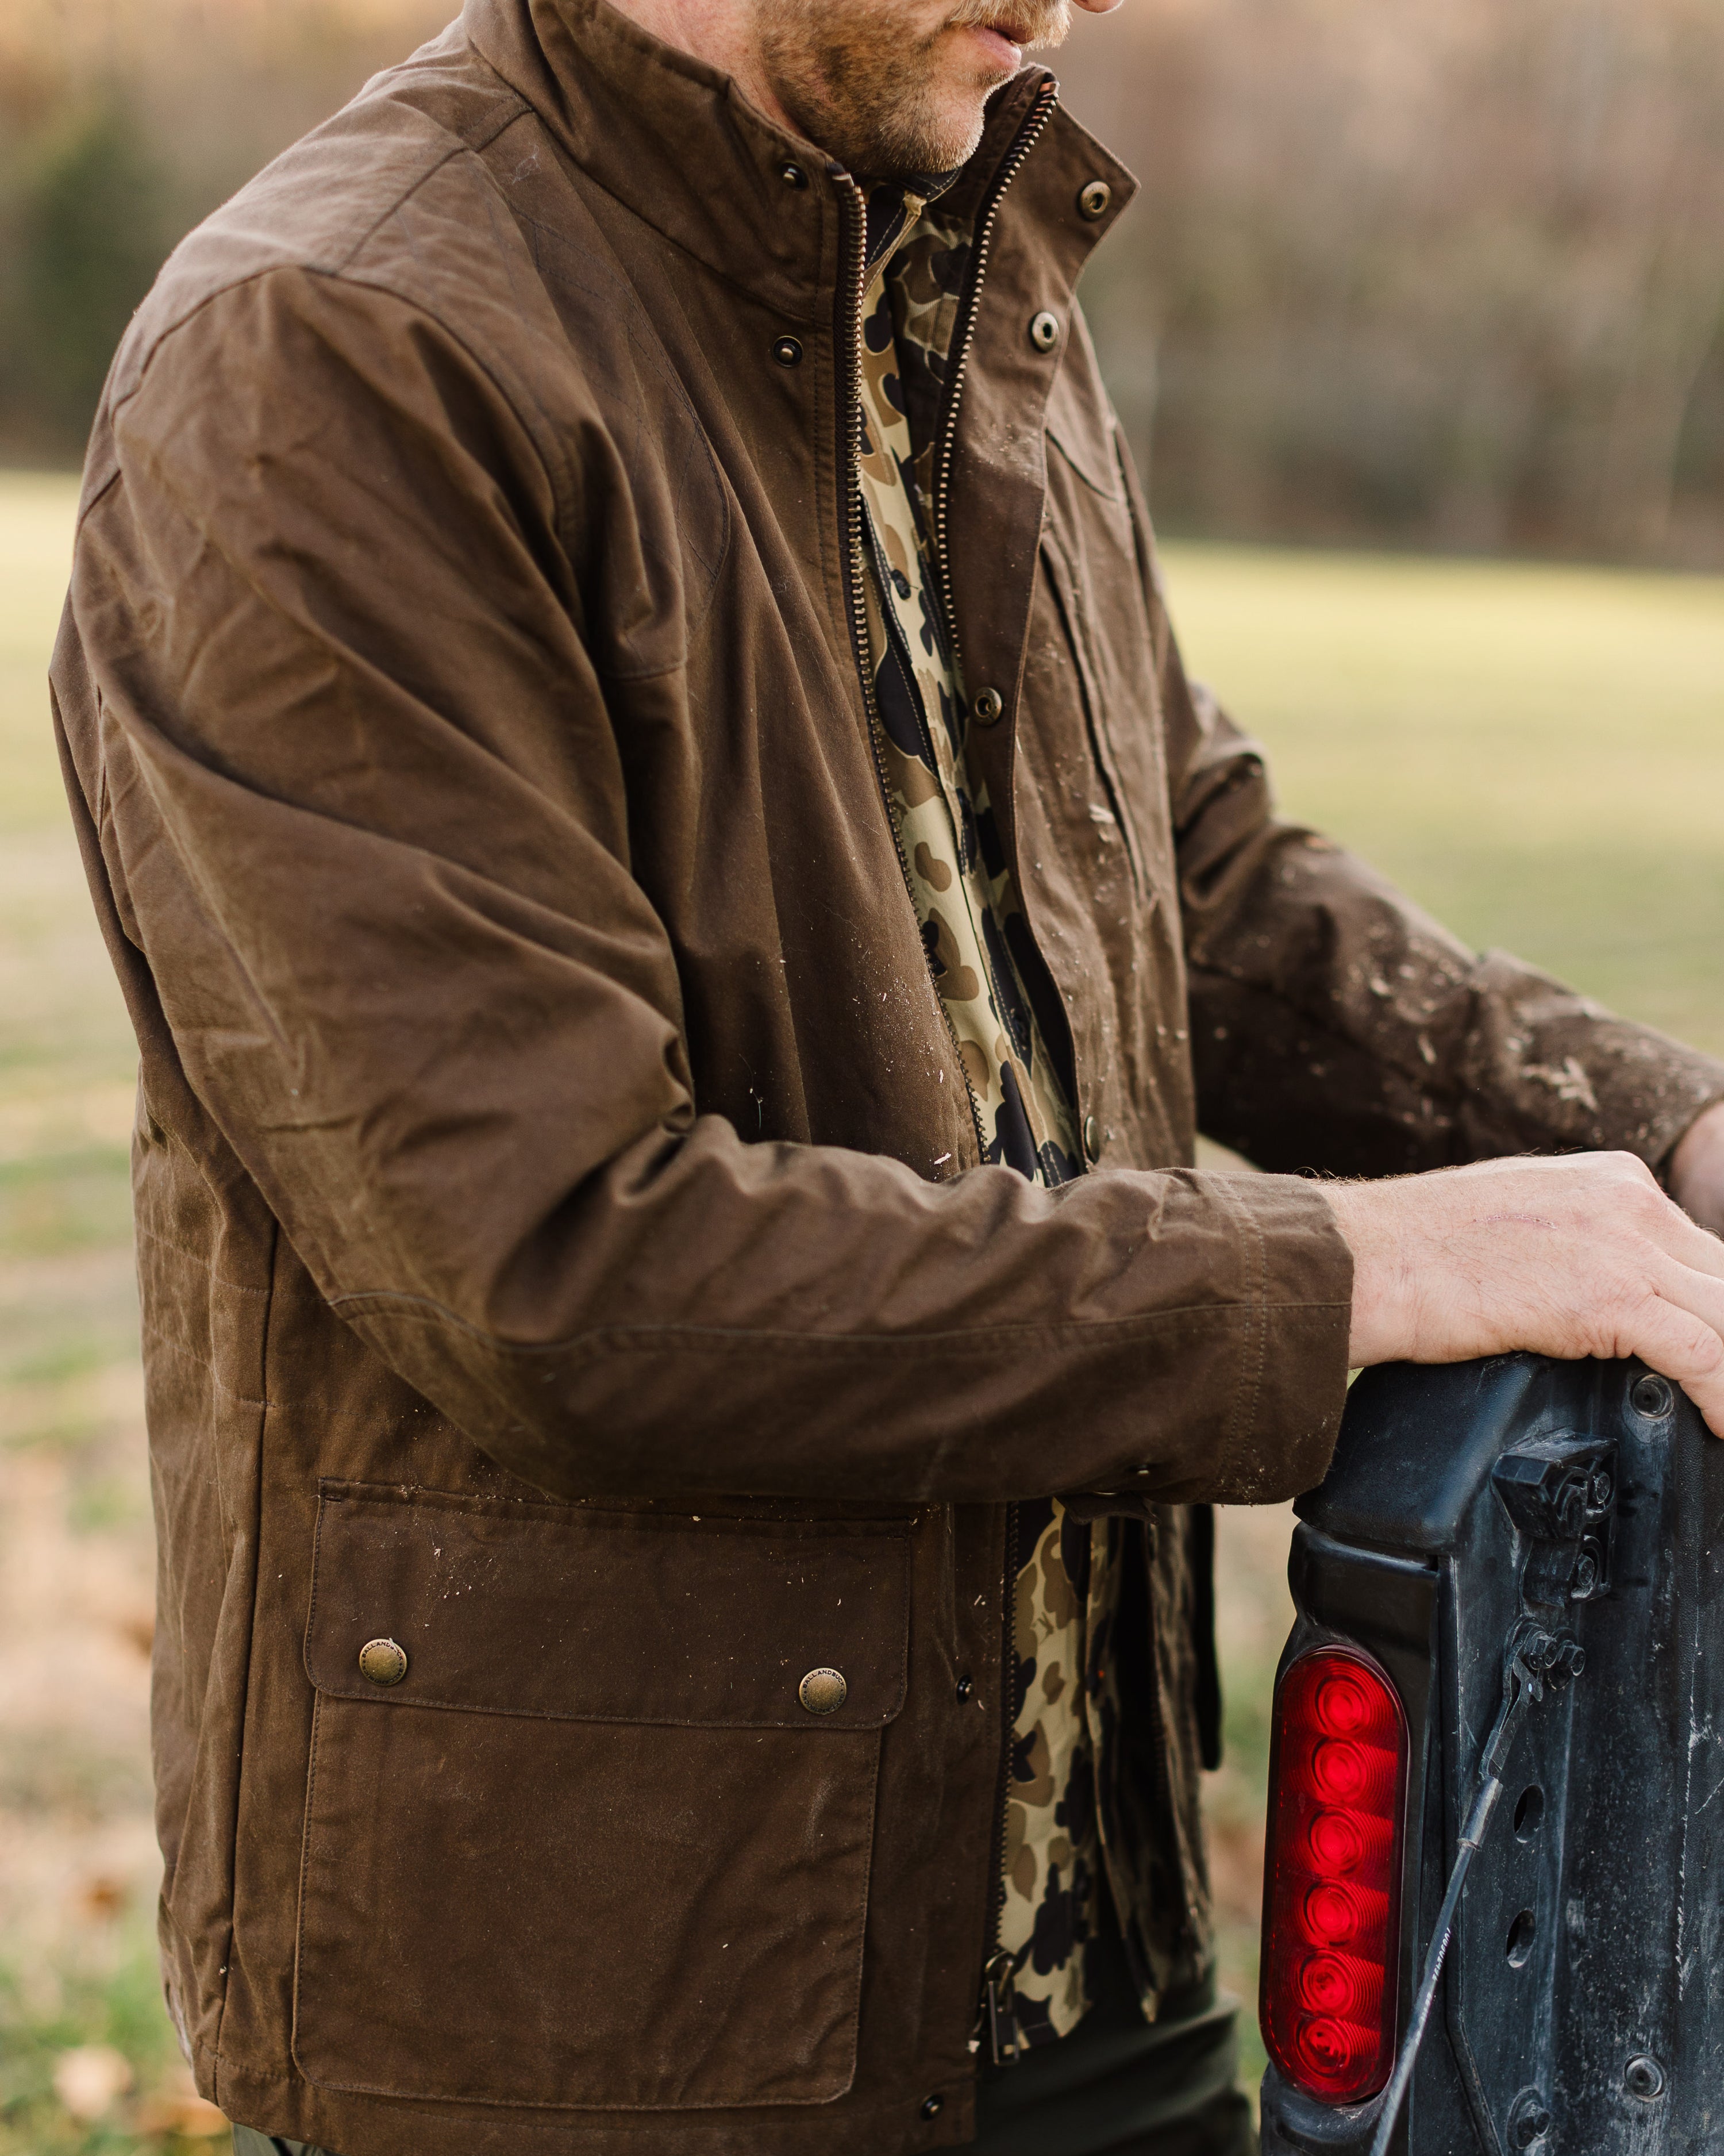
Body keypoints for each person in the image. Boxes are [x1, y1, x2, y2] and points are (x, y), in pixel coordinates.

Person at [50, 2, 1724, 2153]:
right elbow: (559, 1260)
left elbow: (1181, 875)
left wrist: (1654, 1123)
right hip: (617, 2021)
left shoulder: (951, 234)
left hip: (1081, 1955)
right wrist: (1356, 1277)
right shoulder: (333, 354)